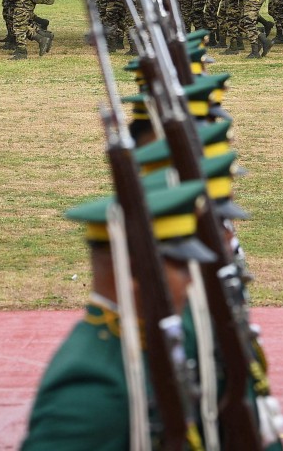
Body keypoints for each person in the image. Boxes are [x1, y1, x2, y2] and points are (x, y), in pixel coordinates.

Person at [21, 181, 216, 450]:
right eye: (180, 266)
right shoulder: (90, 387)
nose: (189, 282)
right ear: (136, 273)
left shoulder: (145, 342)